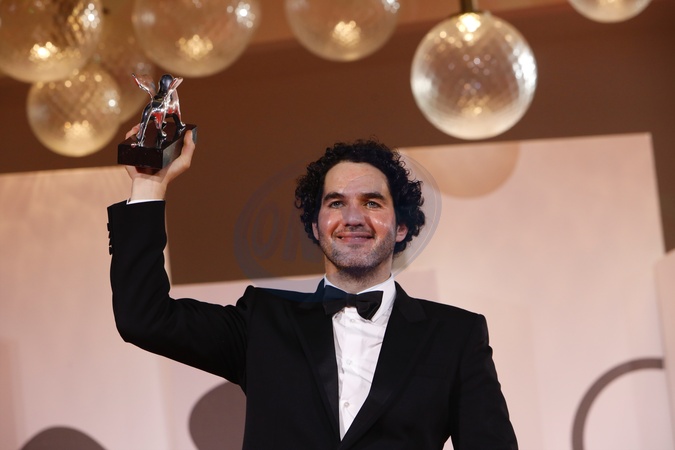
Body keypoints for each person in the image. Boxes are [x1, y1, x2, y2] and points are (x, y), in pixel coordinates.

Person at [107, 126, 518, 449]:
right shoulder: (262, 322)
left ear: (402, 227)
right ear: (316, 226)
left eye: (372, 202)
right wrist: (149, 186)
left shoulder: (456, 335)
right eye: (336, 203)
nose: (353, 218)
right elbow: (144, 318)